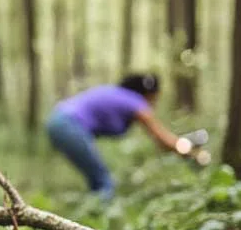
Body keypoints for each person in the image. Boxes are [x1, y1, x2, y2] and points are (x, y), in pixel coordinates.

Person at [46, 73, 202, 199]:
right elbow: (162, 139)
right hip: (69, 124)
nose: (154, 104)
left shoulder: (120, 95)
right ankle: (96, 222)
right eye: (154, 98)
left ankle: (92, 213)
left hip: (57, 120)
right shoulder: (135, 101)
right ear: (148, 94)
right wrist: (193, 153)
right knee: (104, 181)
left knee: (96, 178)